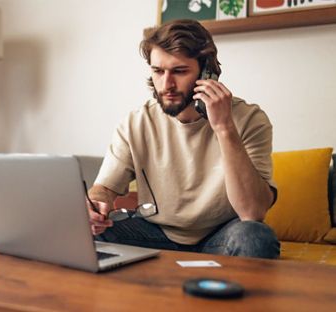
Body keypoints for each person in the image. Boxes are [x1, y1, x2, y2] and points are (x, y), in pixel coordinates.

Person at [87, 19, 280, 259]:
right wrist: (94, 206)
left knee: (255, 236)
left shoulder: (250, 119)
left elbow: (252, 212)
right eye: (158, 71)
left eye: (179, 71)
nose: (166, 84)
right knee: (86, 233)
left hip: (221, 235)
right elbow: (104, 189)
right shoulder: (136, 122)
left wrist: (223, 127)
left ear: (207, 73)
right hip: (155, 232)